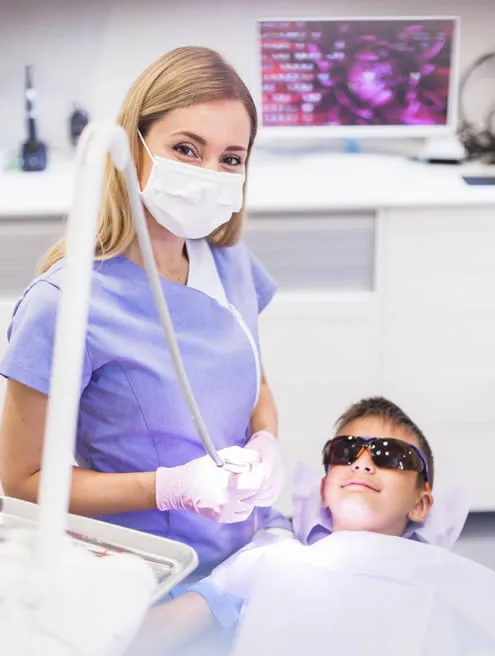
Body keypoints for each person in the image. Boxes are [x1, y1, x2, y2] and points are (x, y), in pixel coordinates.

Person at [0, 46, 288, 585]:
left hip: (245, 547)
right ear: (132, 148)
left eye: (230, 158)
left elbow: (257, 386)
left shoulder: (231, 264)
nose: (210, 173)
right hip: (144, 570)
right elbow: (23, 479)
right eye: (185, 148)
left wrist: (266, 443)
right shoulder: (66, 303)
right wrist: (169, 488)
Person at [131, 396, 469, 655]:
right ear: (323, 490)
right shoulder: (268, 560)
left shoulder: (442, 587)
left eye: (390, 456)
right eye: (345, 451)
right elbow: (155, 634)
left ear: (422, 503)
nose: (362, 464)